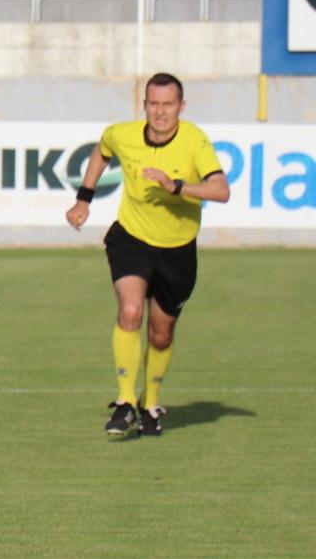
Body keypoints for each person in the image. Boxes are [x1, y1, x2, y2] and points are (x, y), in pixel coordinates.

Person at [65, 73, 229, 437]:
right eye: (153, 104)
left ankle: (150, 402)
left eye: (168, 104)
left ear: (181, 107)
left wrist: (178, 187)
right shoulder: (123, 134)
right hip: (132, 239)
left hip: (178, 250)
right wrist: (83, 198)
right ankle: (125, 402)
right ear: (144, 106)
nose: (160, 112)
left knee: (160, 334)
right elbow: (102, 150)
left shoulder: (194, 141)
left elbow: (221, 190)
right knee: (130, 311)